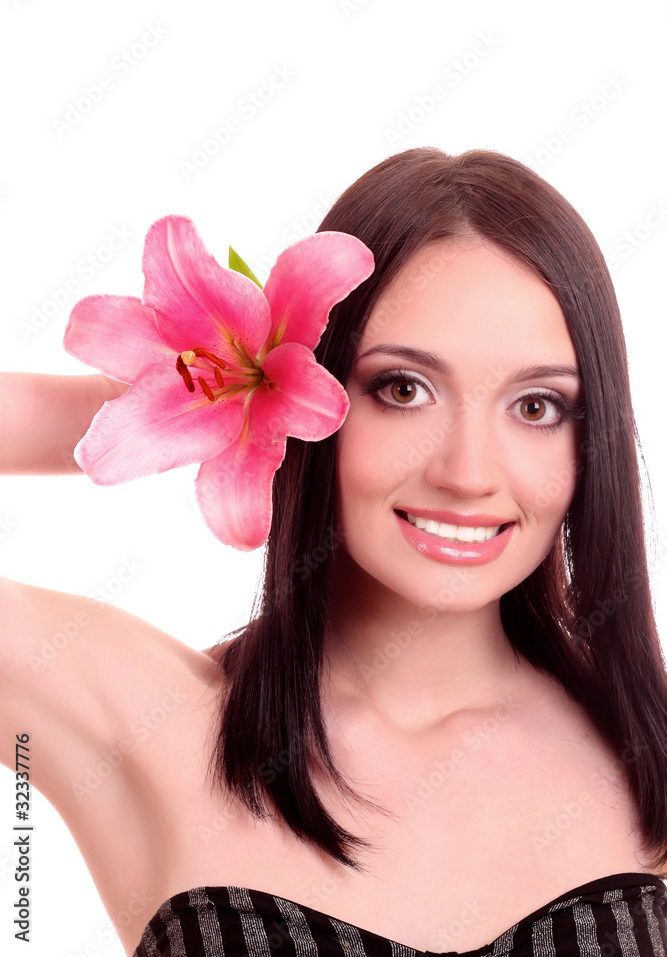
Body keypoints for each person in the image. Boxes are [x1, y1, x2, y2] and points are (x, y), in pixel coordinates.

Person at [1, 146, 667, 957]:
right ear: (309, 404)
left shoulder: (649, 754)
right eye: (401, 389)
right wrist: (168, 404)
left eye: (536, 405)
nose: (467, 474)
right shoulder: (151, 723)